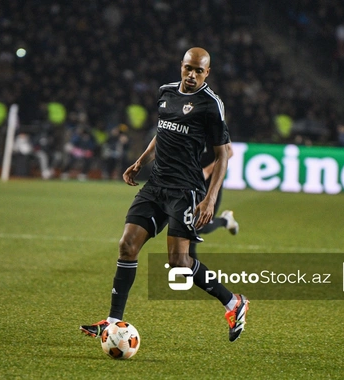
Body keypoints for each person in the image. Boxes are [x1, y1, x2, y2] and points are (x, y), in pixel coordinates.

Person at [80, 47, 249, 342]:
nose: (192, 75)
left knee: (179, 263)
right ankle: (112, 321)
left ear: (207, 73)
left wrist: (210, 198)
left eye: (199, 70)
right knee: (127, 246)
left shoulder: (211, 105)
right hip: (156, 185)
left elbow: (223, 155)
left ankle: (234, 302)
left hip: (185, 190)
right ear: (180, 66)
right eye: (188, 68)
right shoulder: (165, 93)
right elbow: (162, 132)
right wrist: (140, 162)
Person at [188, 142, 239, 260]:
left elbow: (229, 152)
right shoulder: (189, 126)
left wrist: (207, 170)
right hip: (192, 179)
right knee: (189, 222)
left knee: (199, 223)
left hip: (211, 182)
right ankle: (189, 264)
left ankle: (224, 220)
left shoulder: (215, 126)